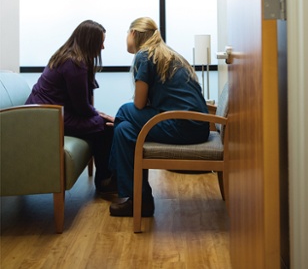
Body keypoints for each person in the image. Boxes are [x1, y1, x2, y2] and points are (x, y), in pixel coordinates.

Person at [108, 17, 209, 217]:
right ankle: (140, 200)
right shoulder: (167, 53)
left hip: (182, 125)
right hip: (196, 126)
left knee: (123, 112)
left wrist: (122, 116)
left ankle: (114, 177)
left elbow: (138, 104)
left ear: (134, 33)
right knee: (123, 129)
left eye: (127, 33)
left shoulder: (144, 55)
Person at [25, 19, 115, 193]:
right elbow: (82, 107)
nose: (102, 47)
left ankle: (106, 178)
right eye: (100, 42)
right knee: (106, 127)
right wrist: (97, 114)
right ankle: (105, 181)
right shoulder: (74, 64)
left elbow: (82, 103)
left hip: (47, 114)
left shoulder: (67, 56)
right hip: (50, 118)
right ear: (90, 42)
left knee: (102, 122)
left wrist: (96, 113)